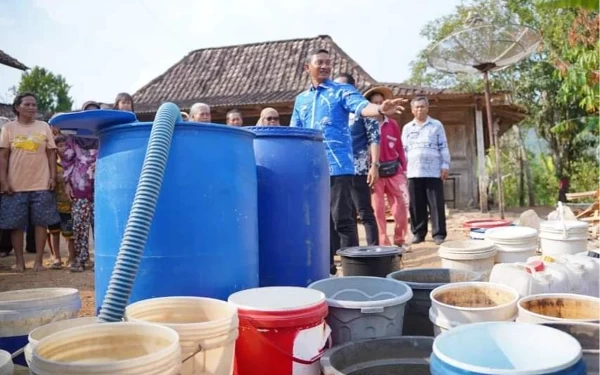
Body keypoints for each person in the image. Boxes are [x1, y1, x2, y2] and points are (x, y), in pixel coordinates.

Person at [290, 48, 407, 275]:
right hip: (311, 168)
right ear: (308, 67)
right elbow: (294, 132)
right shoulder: (301, 100)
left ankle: (353, 273)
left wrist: (380, 108)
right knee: (318, 219)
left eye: (327, 62)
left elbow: (361, 106)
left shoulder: (341, 91)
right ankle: (326, 267)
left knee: (341, 218)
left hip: (338, 166)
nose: (324, 66)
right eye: (319, 62)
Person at [0, 93, 60, 272]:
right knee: (15, 225)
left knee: (41, 223)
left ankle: (38, 262)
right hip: (15, 184)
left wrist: (52, 176)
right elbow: (3, 156)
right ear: (17, 107)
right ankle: (19, 262)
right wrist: (3, 180)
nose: (32, 107)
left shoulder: (43, 127)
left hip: (41, 182)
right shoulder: (8, 128)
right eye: (27, 104)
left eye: (34, 104)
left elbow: (51, 153)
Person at [333, 73, 380, 246]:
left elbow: (374, 138)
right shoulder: (334, 110)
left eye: (341, 87)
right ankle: (349, 253)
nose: (336, 90)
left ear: (352, 88)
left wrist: (374, 166)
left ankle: (373, 250)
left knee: (364, 211)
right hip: (337, 169)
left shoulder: (363, 109)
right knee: (343, 213)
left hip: (358, 169)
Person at [402, 96, 450, 245]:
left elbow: (443, 145)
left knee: (436, 203)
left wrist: (445, 165)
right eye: (416, 107)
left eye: (422, 106)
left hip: (433, 171)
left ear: (427, 108)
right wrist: (403, 169)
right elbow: (403, 150)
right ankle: (418, 233)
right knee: (416, 205)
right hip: (413, 171)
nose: (419, 109)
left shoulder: (436, 125)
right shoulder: (407, 128)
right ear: (412, 110)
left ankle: (439, 234)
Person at [366, 87, 409, 248]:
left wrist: (404, 169)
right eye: (374, 103)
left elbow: (399, 147)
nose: (378, 106)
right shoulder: (365, 125)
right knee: (377, 211)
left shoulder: (393, 124)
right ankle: (383, 244)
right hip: (374, 173)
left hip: (394, 170)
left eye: (380, 102)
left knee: (401, 208)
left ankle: (400, 240)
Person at [62, 105, 99, 272]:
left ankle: (100, 260)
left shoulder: (105, 137)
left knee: (100, 227)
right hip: (79, 190)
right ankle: (81, 260)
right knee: (80, 226)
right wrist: (67, 183)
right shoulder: (73, 139)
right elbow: (67, 162)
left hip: (101, 191)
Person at [47, 134, 76, 269]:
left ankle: (71, 256)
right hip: (53, 203)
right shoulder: (50, 165)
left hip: (69, 205)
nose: (63, 149)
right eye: (59, 146)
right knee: (53, 231)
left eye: (65, 145)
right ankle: (56, 257)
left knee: (70, 233)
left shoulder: (74, 162)